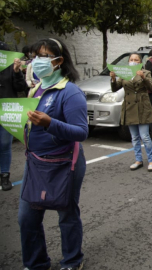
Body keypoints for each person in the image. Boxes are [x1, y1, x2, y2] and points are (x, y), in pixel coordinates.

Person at [18, 38, 87, 270]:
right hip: (35, 162)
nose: (38, 61)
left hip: (65, 162)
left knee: (66, 215)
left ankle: (72, 261)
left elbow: (81, 132)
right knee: (27, 218)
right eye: (36, 56)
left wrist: (50, 123)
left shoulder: (70, 92)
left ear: (59, 60)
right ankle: (36, 263)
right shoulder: (37, 87)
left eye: (45, 56)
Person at [111, 53, 152, 172]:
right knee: (135, 137)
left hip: (142, 106)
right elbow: (115, 88)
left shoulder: (146, 72)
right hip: (129, 107)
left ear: (140, 62)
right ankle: (138, 160)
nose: (133, 61)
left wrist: (143, 77)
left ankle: (151, 160)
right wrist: (113, 78)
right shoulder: (125, 73)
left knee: (145, 136)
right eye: (131, 59)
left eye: (136, 60)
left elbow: (151, 87)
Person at [0, 41, 27, 191]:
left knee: (4, 144)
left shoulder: (11, 68)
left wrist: (17, 72)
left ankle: (5, 176)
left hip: (7, 111)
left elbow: (20, 88)